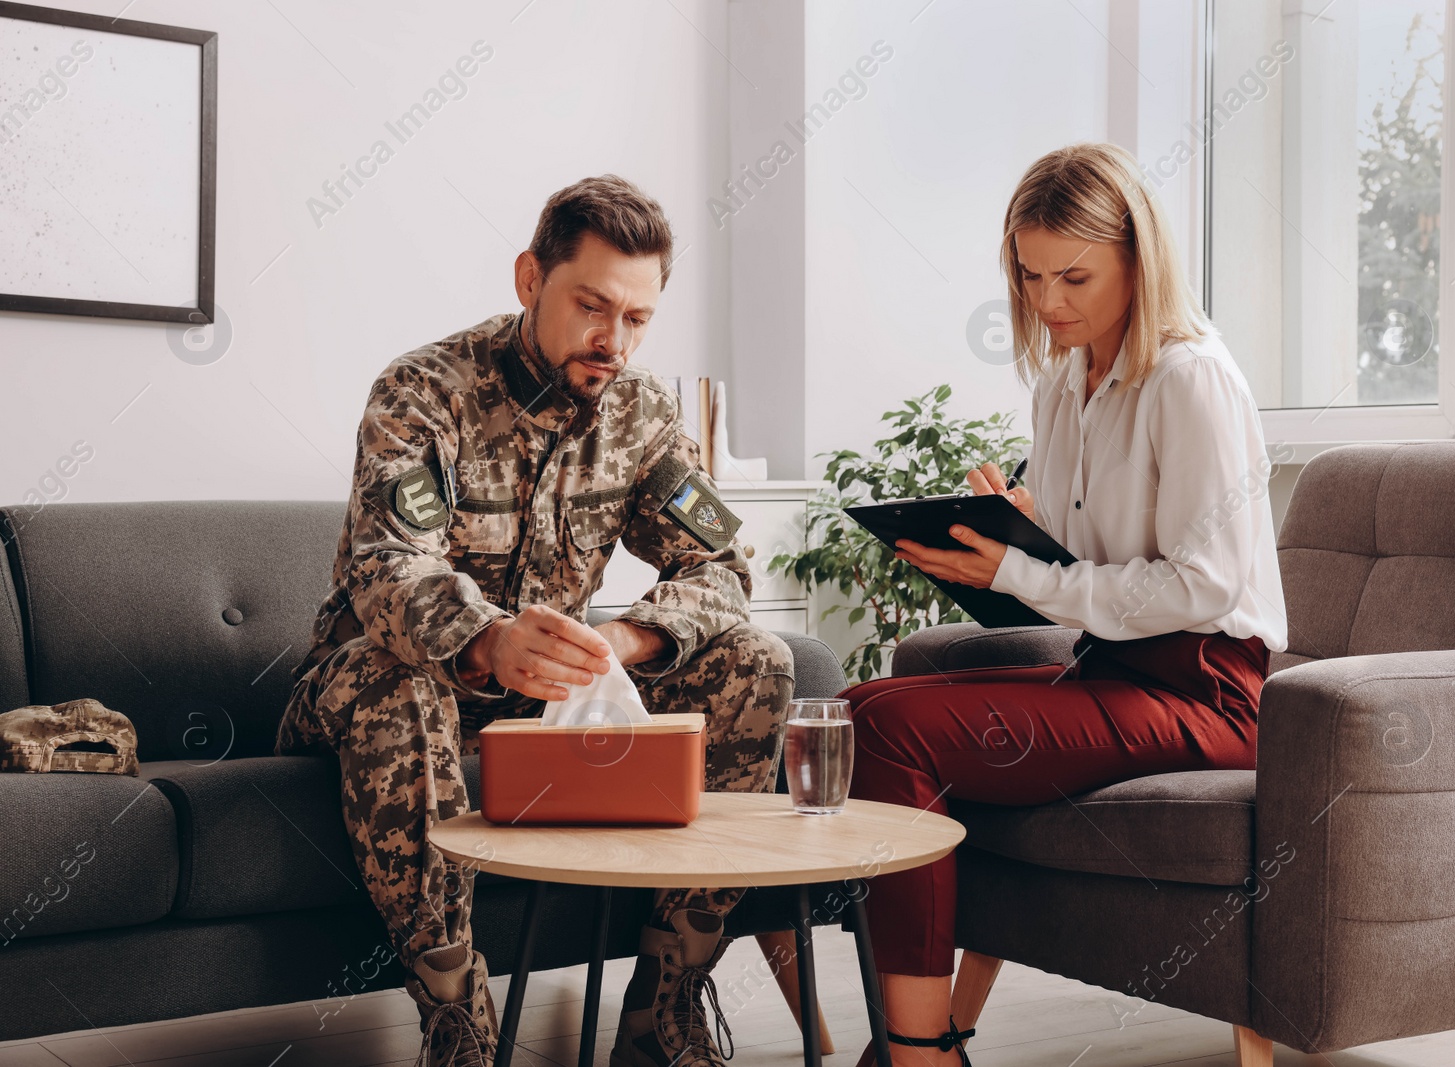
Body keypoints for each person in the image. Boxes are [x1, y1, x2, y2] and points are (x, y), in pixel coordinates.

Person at [273, 174, 793, 1067]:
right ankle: (459, 1018)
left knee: (760, 661)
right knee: (397, 678)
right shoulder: (421, 390)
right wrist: (487, 638)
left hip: (541, 703)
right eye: (593, 307)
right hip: (374, 684)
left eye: (637, 319)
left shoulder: (644, 415)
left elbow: (721, 565)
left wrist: (630, 639)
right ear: (529, 280)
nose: (614, 340)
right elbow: (386, 565)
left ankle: (664, 1003)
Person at [841, 142, 1288, 1065]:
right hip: (1113, 668)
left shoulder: (1191, 378)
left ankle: (917, 1049)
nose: (1049, 301)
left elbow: (1204, 585)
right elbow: (1086, 564)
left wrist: (1019, 572)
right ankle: (923, 1035)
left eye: (1075, 275)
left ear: (1139, 258)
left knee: (891, 730)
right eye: (1031, 274)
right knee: (860, 710)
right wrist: (1010, 535)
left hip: (1207, 692)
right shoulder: (1063, 382)